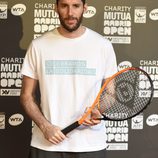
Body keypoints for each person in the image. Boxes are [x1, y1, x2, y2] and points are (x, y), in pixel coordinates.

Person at [20, 0, 117, 158]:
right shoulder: (39, 45)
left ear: (84, 8)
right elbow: (26, 96)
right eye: (64, 6)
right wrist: (45, 127)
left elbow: (110, 93)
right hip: (47, 145)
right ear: (56, 8)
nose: (70, 13)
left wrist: (99, 110)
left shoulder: (103, 45)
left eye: (76, 6)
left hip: (90, 144)